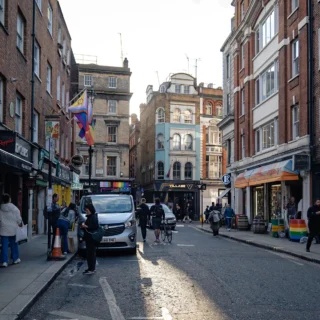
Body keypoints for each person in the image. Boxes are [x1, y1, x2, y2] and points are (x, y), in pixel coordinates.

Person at [0, 194, 23, 267]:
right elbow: (19, 220)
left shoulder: (1, 208)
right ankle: (15, 258)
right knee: (14, 244)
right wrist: (20, 223)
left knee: (4, 246)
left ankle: (4, 261)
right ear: (9, 199)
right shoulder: (15, 209)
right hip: (13, 229)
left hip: (3, 229)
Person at [80, 203, 99, 275]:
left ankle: (91, 269)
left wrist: (86, 227)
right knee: (89, 253)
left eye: (87, 210)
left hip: (91, 238)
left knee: (91, 253)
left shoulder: (93, 217)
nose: (86, 211)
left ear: (90, 210)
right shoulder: (90, 216)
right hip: (88, 238)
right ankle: (90, 268)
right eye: (85, 210)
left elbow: (94, 226)